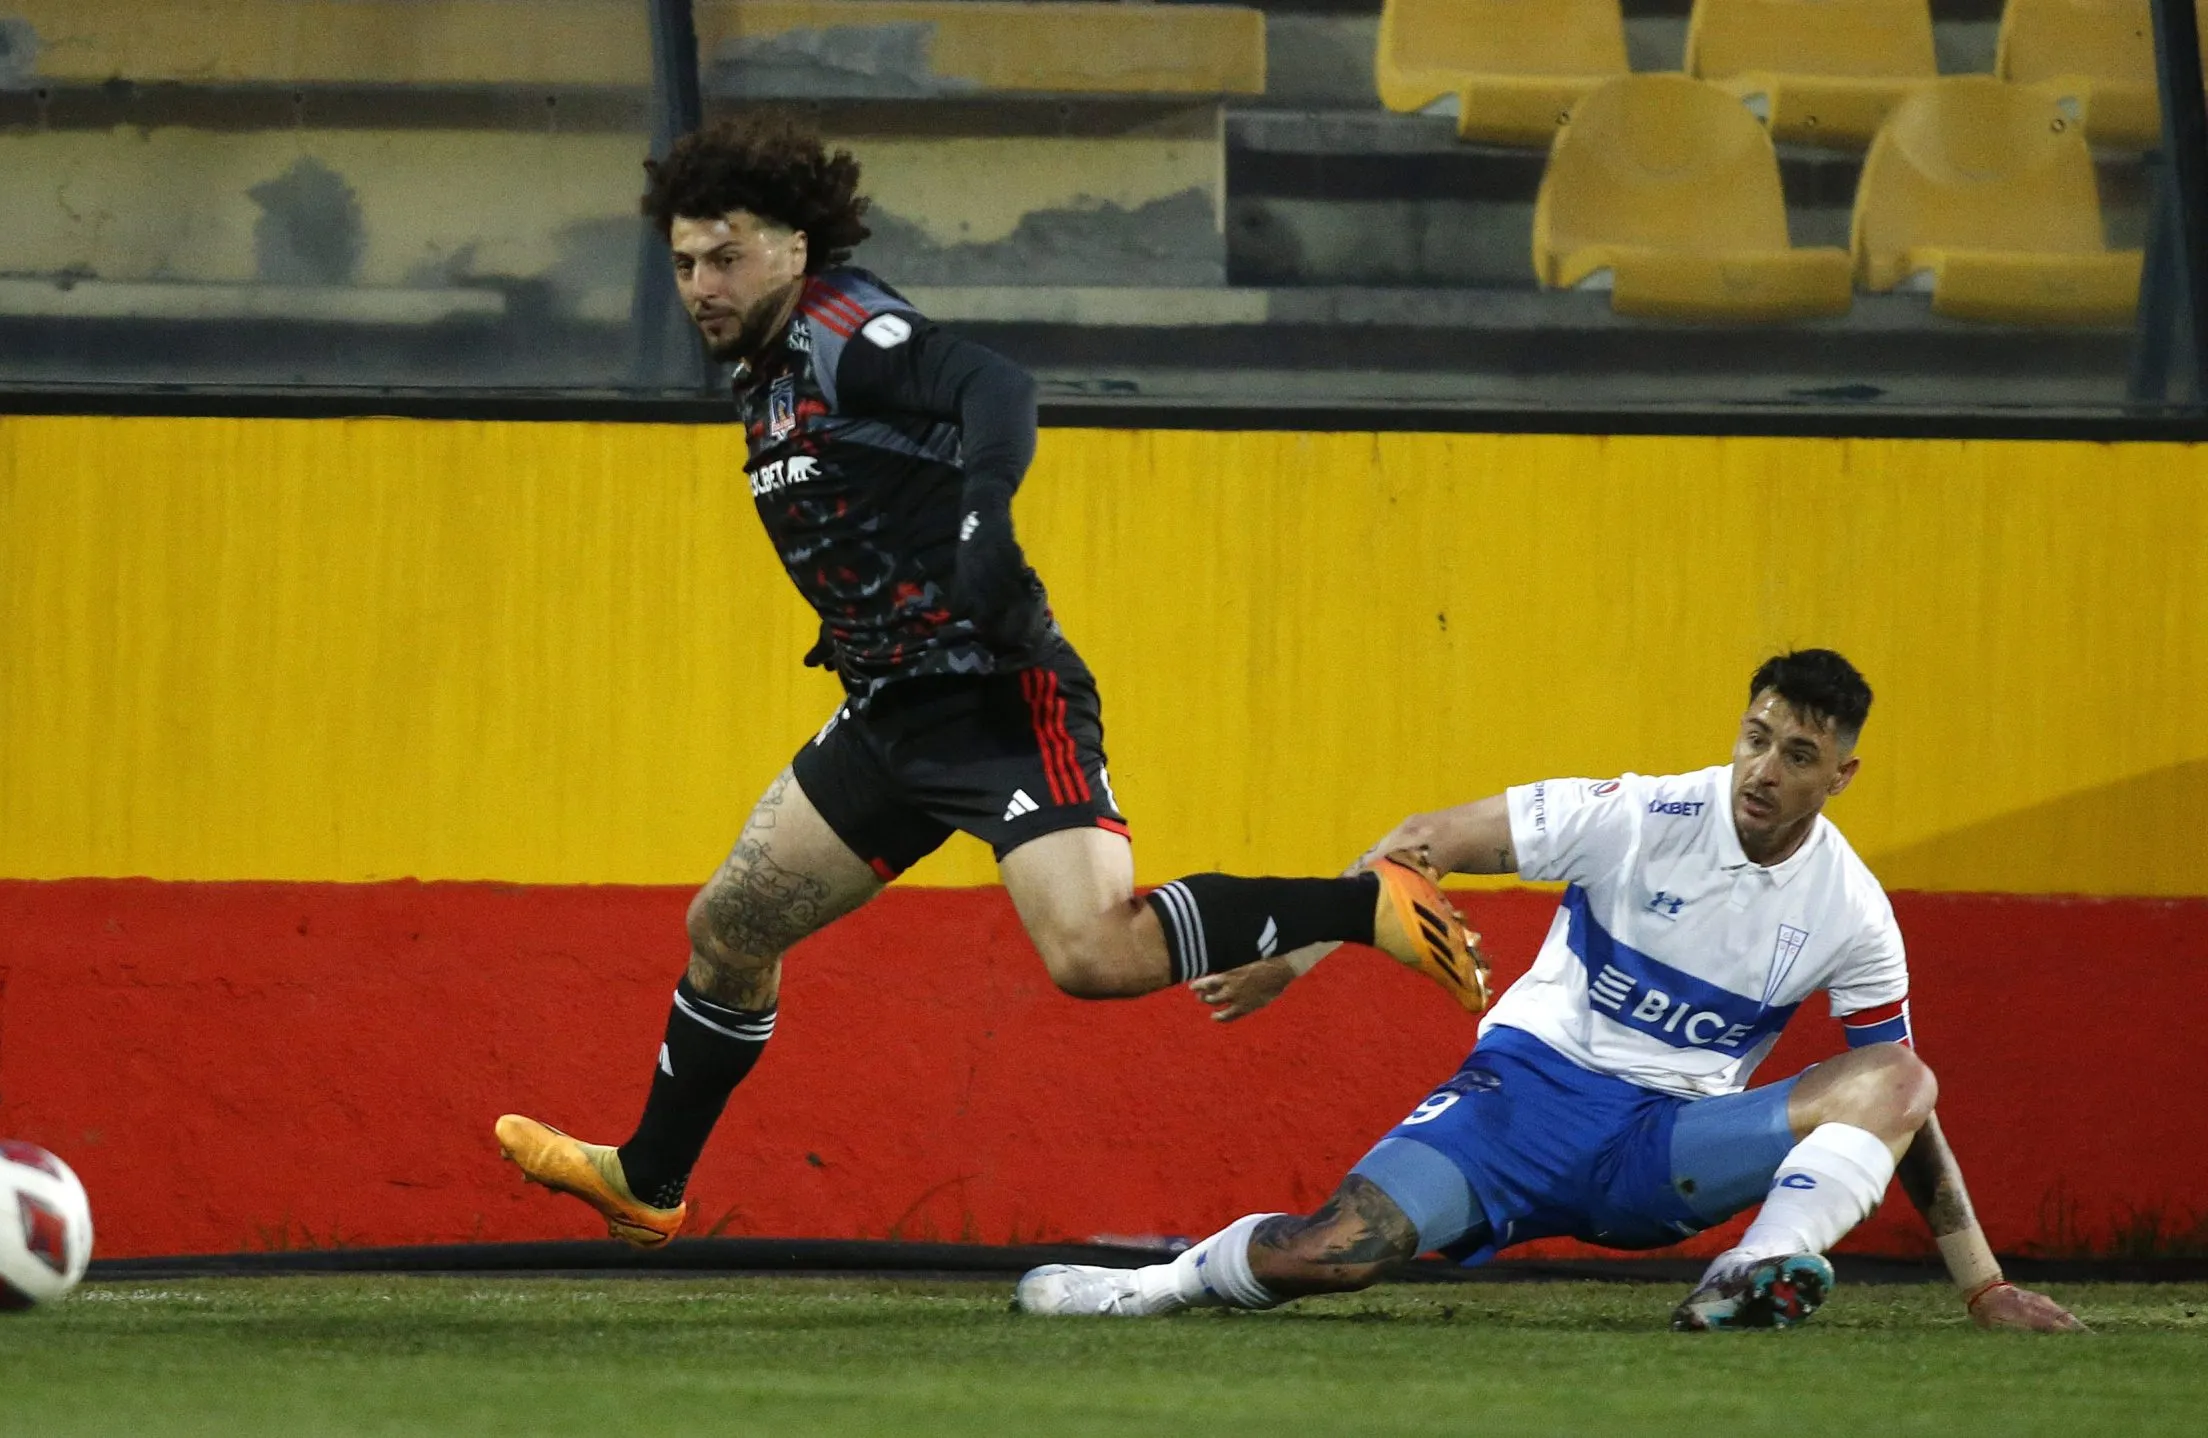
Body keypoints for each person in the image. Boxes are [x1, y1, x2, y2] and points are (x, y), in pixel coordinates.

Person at [491, 114, 1490, 1248]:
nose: (701, 285)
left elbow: (994, 386)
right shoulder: (762, 367)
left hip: (997, 702)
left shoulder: (843, 332)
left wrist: (983, 526)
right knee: (727, 925)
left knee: (1092, 954)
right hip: (887, 718)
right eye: (682, 264)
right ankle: (649, 1180)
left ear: (794, 248)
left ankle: (1363, 904)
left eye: (725, 257)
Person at [1018, 650, 2083, 1332]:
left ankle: (1751, 1271)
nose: (1761, 768)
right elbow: (1416, 842)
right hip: (1520, 1099)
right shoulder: (1635, 814)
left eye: (1795, 754)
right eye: (1754, 737)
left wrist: (1982, 1285)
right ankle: (1146, 1288)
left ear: (1838, 775)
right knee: (1324, 1254)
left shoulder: (1850, 907)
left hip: (1665, 1150)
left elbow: (1906, 1110)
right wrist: (1293, 955)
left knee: (1900, 1071)